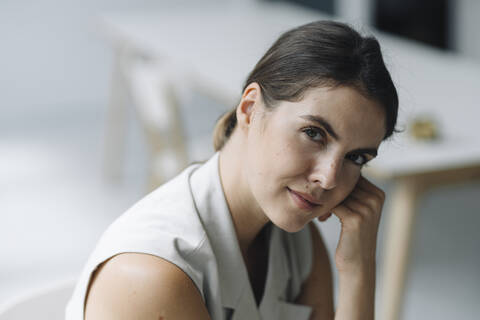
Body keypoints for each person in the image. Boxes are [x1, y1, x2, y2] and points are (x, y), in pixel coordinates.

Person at [66, 20, 398, 320]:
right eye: (313, 133)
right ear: (250, 109)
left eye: (356, 158)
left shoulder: (296, 239)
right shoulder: (150, 275)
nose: (328, 179)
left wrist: (358, 268)